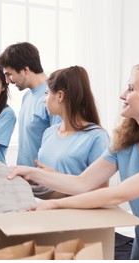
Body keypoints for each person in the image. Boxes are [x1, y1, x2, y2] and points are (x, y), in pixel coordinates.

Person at [8, 65, 139, 260]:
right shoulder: (125, 144)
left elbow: (116, 195)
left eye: (131, 89)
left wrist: (56, 205)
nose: (122, 95)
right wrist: (28, 172)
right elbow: (82, 182)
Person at [32, 66, 109, 199]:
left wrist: (55, 177)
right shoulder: (49, 133)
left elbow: (101, 191)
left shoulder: (97, 137)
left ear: (60, 96)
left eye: (47, 93)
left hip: (75, 214)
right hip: (45, 209)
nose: (44, 99)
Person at [0, 42, 61, 167]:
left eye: (9, 74)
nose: (7, 81)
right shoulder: (27, 97)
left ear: (25, 70)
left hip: (42, 179)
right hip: (25, 177)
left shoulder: (53, 97)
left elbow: (59, 145)